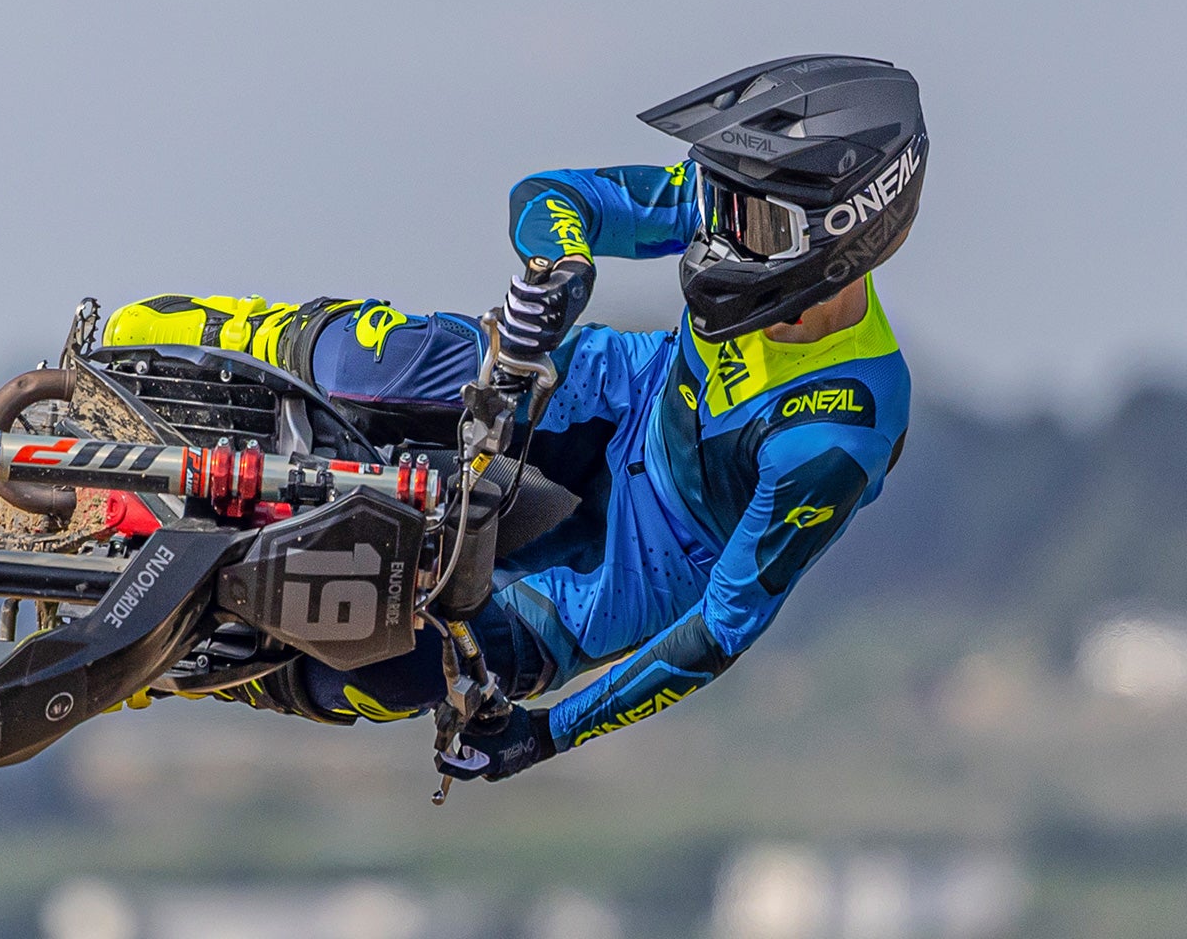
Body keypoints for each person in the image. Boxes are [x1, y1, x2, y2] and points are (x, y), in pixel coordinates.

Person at [102, 55, 926, 782]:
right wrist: (557, 265)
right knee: (389, 362)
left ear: (839, 238)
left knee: (402, 664)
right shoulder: (735, 203)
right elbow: (556, 195)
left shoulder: (838, 435)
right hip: (625, 392)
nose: (715, 232)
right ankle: (211, 340)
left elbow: (717, 628)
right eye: (718, 198)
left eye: (748, 222)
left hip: (634, 569)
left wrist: (545, 735)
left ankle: (205, 659)